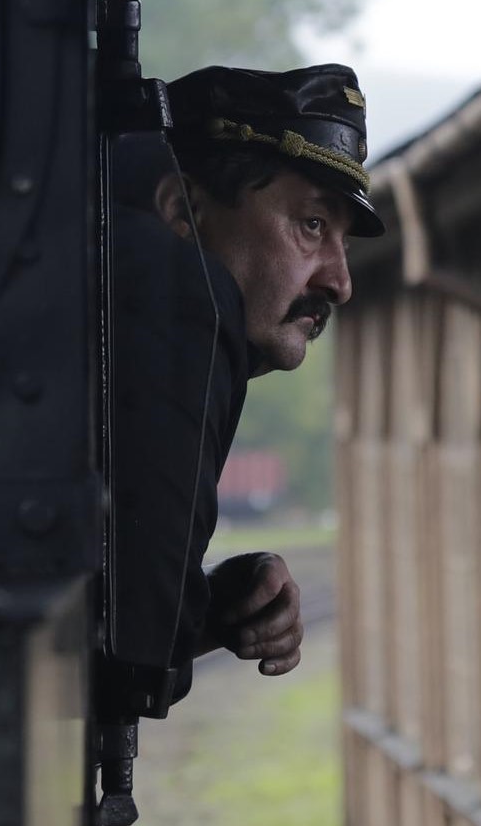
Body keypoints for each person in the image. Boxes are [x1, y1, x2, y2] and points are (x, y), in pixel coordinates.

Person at [103, 63, 382, 711]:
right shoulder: (175, 302)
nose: (340, 281)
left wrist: (211, 600)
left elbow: (113, 630)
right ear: (183, 211)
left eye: (341, 240)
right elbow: (133, 655)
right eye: (312, 225)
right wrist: (180, 613)